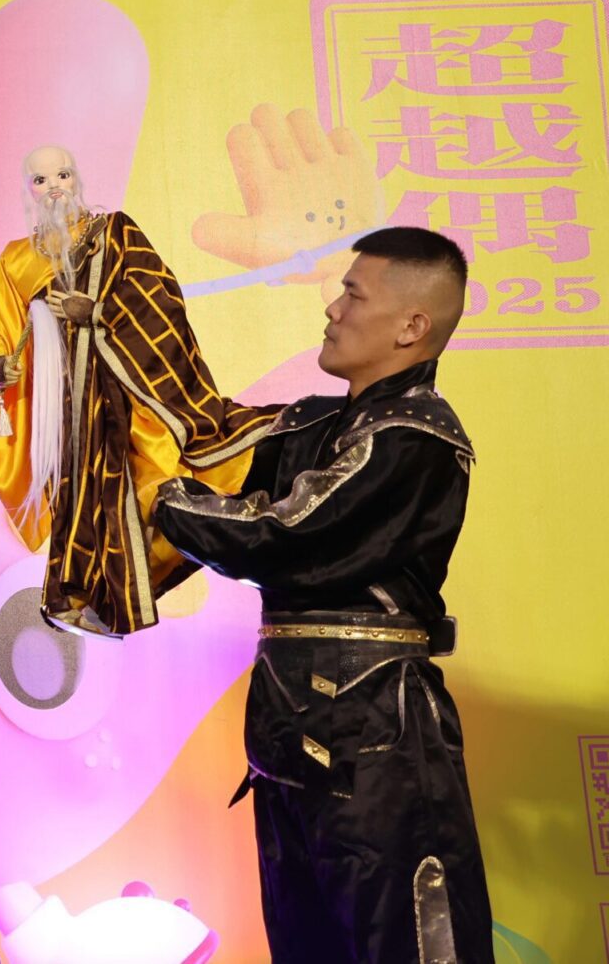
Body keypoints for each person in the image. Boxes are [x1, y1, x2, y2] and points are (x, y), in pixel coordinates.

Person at [153, 227, 492, 963]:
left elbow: (289, 534)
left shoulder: (415, 437)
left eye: (353, 295)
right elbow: (206, 440)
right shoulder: (311, 422)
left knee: (401, 937)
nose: (332, 309)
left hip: (377, 737)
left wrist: (163, 501)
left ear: (411, 327)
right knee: (304, 940)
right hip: (286, 731)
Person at [0, 144, 271, 637]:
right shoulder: (16, 259)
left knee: (146, 487)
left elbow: (159, 297)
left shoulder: (115, 233)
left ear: (77, 178)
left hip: (128, 391)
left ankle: (144, 575)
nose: (54, 188)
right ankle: (89, 596)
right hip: (67, 406)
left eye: (62, 175)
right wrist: (0, 363)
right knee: (81, 500)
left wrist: (98, 313)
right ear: (28, 191)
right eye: (41, 181)